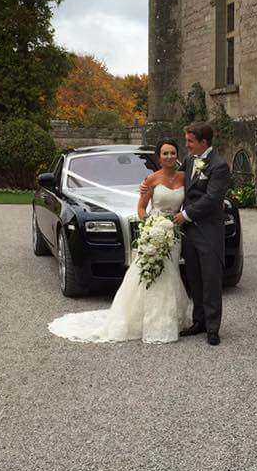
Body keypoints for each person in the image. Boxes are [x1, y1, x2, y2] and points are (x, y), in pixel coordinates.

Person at [47, 139, 193, 344]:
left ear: (177, 156)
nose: (169, 157)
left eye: (172, 153)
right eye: (165, 154)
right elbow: (142, 209)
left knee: (171, 273)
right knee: (153, 274)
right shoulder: (151, 180)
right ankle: (152, 323)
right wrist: (150, 225)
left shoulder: (185, 178)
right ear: (159, 157)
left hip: (174, 234)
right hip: (155, 230)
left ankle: (172, 319)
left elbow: (192, 200)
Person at [175, 122, 231, 346]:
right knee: (194, 277)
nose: (186, 145)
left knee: (211, 279)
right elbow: (177, 184)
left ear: (203, 143)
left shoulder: (219, 166)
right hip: (189, 232)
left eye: (190, 141)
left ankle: (212, 327)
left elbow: (212, 198)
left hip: (208, 231)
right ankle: (198, 321)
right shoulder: (189, 161)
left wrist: (186, 215)